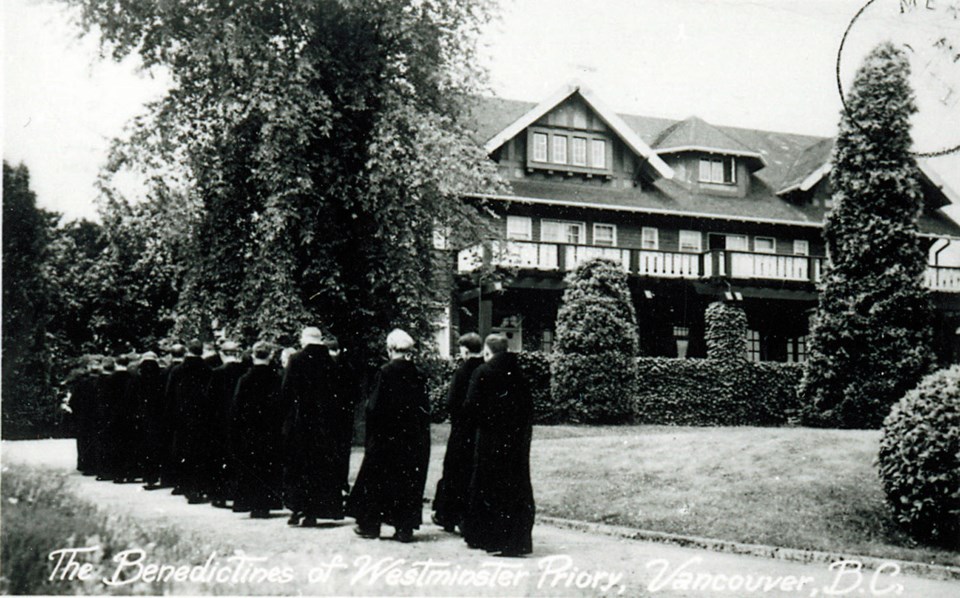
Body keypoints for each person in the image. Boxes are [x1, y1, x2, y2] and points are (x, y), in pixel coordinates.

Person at [347, 329, 430, 543]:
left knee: (377, 480)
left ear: (390, 349)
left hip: (387, 437)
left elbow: (374, 407)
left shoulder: (384, 372)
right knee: (408, 481)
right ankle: (404, 527)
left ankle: (371, 525)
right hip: (412, 437)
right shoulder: (419, 374)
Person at [461, 334, 535, 557]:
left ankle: (487, 537)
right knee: (515, 486)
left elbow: (470, 408)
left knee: (487, 486)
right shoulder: (519, 374)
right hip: (516, 441)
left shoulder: (482, 373)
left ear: (486, 351)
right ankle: (516, 540)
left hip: (490, 440)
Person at [281, 327, 351, 526]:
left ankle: (297, 508)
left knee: (298, 467)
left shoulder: (295, 359)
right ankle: (315, 511)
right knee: (320, 467)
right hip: (324, 424)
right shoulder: (330, 362)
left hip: (300, 422)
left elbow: (286, 392)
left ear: (304, 340)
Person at [432, 332, 485, 532]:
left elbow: (451, 402)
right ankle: (468, 518)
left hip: (462, 429)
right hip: (479, 430)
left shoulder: (462, 371)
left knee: (455, 471)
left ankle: (447, 515)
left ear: (464, 349)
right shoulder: (484, 369)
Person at [231, 341, 285, 518]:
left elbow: (237, 407)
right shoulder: (277, 378)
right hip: (270, 430)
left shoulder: (245, 379)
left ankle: (251, 503)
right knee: (268, 467)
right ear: (270, 356)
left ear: (254, 355)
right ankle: (266, 504)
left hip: (250, 430)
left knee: (251, 467)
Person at [168, 340, 213, 503]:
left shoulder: (177, 371)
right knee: (200, 453)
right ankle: (199, 487)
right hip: (202, 418)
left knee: (182, 452)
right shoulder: (208, 371)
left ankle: (183, 485)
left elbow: (169, 396)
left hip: (181, 418)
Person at [205, 341, 247, 508]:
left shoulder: (216, 373)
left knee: (220, 458)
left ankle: (220, 495)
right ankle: (238, 493)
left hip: (221, 422)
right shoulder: (244, 371)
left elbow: (210, 400)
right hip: (242, 421)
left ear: (222, 354)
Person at [327, 336, 359, 494]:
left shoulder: (323, 368)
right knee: (343, 451)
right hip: (345, 416)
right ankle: (342, 484)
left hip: (327, 417)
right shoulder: (348, 368)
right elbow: (356, 393)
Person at [137, 351, 168, 489]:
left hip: (143, 416)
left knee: (145, 446)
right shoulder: (162, 376)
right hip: (159, 416)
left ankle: (149, 477)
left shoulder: (138, 377)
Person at [160, 343, 186, 489]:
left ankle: (168, 478)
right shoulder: (180, 370)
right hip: (182, 414)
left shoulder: (165, 372)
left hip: (169, 414)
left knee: (169, 448)